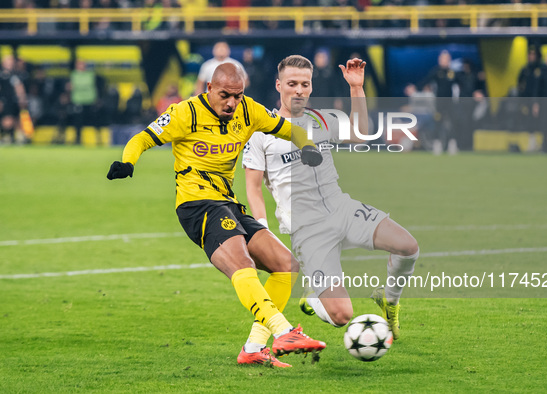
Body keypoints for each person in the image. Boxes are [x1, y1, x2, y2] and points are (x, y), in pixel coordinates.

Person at [107, 63, 326, 368]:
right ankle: (285, 332)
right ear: (209, 88)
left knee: (285, 265)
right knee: (241, 262)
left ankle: (253, 348)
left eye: (237, 96)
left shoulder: (249, 111)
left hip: (227, 203)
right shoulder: (185, 113)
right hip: (196, 204)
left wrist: (308, 146)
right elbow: (143, 137)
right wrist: (128, 162)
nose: (231, 103)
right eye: (225, 95)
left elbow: (291, 129)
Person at [242, 55, 419, 341]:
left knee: (408, 247)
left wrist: (356, 89)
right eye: (292, 84)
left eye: (305, 84)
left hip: (341, 208)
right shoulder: (261, 132)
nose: (299, 90)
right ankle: (313, 296)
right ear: (279, 85)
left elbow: (360, 135)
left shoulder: (321, 118)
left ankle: (389, 301)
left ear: (311, 87)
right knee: (341, 317)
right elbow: (252, 186)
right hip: (308, 230)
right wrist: (261, 227)